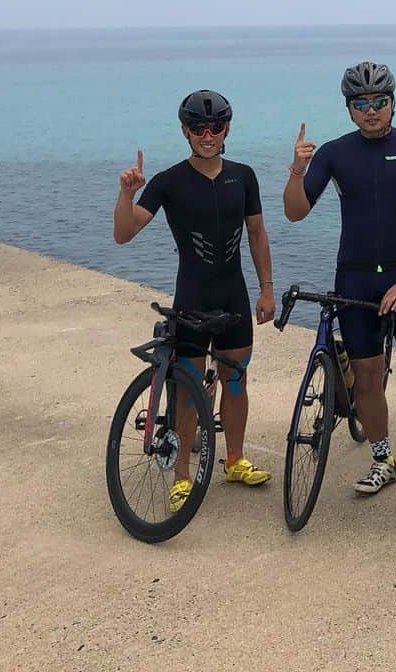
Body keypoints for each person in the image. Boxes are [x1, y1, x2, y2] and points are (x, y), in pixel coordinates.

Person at [283, 61, 396, 511]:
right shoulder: (334, 154)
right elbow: (295, 213)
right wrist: (297, 170)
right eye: (361, 104)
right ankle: (383, 459)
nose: (371, 111)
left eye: (379, 102)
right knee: (368, 379)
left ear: (392, 103)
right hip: (353, 279)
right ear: (350, 109)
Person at [113, 90, 275, 511]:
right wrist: (127, 194)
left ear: (227, 130)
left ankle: (234, 460)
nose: (208, 135)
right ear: (185, 131)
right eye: (199, 129)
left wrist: (267, 287)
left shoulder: (245, 175)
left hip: (234, 296)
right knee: (187, 392)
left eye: (216, 127)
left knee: (235, 380)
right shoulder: (168, 182)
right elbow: (124, 233)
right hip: (192, 297)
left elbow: (256, 233)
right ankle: (182, 474)